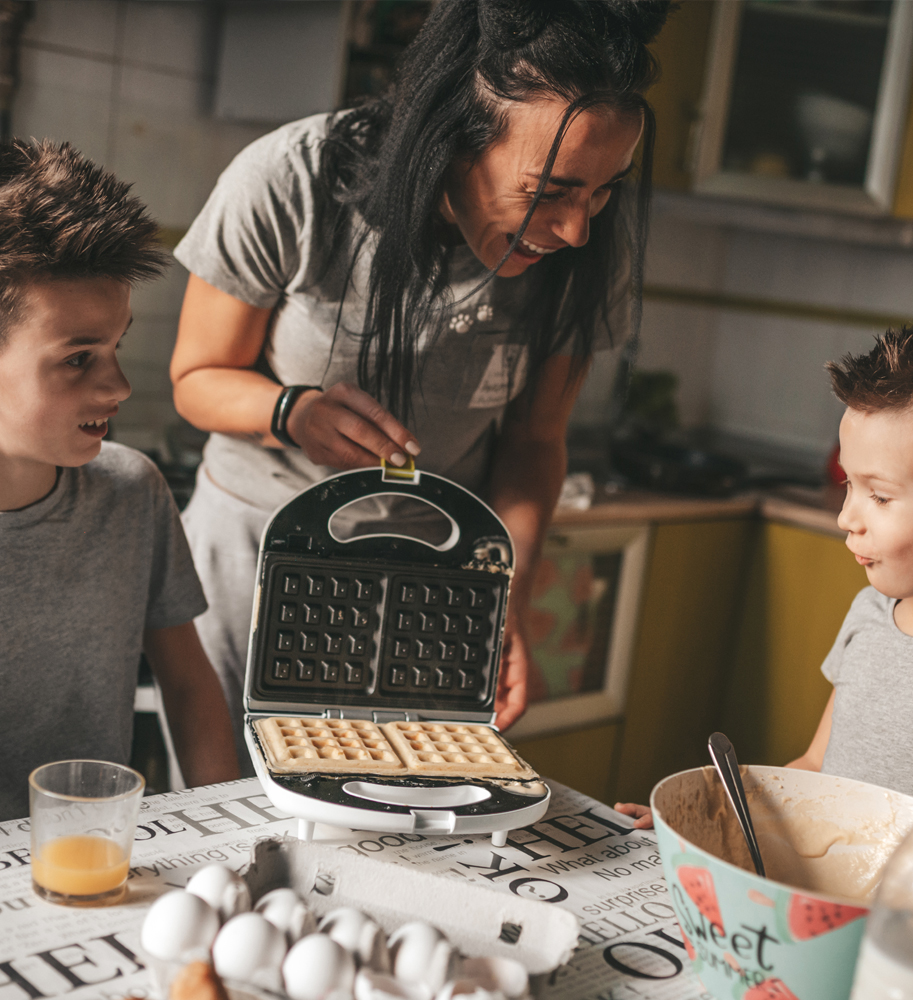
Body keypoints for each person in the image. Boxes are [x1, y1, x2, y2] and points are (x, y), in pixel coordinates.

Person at [169, 0, 675, 772]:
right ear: (451, 139)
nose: (577, 228)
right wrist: (289, 411)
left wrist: (505, 594)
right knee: (236, 818)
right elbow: (196, 378)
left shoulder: (584, 255)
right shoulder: (292, 179)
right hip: (260, 554)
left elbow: (536, 443)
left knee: (404, 825)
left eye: (603, 191)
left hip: (434, 575)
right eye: (550, 192)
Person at [616, 312, 913, 827]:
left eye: (880, 496)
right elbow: (815, 769)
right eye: (848, 486)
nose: (846, 518)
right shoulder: (870, 614)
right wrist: (708, 821)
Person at [0, 139, 240, 821]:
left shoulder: (134, 493)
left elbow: (190, 686)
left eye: (117, 346)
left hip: (97, 860)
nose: (120, 386)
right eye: (79, 359)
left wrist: (220, 835)